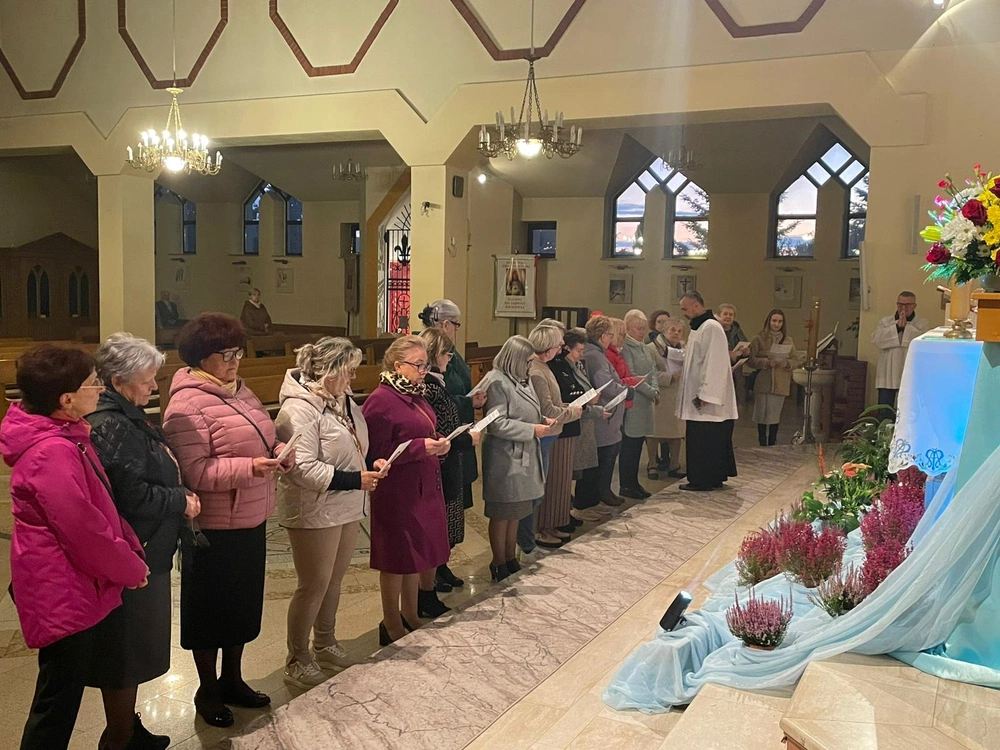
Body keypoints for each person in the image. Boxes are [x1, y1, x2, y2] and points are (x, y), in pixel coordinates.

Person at [1, 345, 149, 750]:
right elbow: (84, 530)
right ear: (66, 400)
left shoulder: (65, 435)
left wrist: (128, 550)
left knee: (61, 694)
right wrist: (129, 568)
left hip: (67, 584)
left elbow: (100, 505)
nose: (100, 389)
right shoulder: (52, 451)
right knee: (57, 703)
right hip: (60, 589)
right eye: (93, 383)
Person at [162, 313, 290, 728]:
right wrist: (251, 468)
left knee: (241, 608)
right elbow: (194, 472)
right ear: (201, 357)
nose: (235, 361)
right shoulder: (185, 404)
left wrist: (279, 450)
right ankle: (208, 690)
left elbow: (262, 436)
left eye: (238, 353)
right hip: (214, 527)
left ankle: (233, 679)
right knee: (210, 613)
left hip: (251, 516)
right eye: (226, 354)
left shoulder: (240, 391)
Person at [86, 334, 198, 750]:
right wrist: (180, 500)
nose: (154, 385)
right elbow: (130, 496)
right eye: (147, 378)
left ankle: (126, 729)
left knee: (132, 650)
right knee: (124, 652)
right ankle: (118, 739)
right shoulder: (112, 423)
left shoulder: (125, 415)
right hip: (135, 551)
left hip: (147, 548)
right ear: (118, 381)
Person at [274, 337, 385, 690]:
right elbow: (301, 467)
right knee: (313, 584)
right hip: (313, 508)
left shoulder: (343, 401)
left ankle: (325, 642)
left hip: (346, 503)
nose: (353, 378)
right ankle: (297, 658)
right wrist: (355, 479)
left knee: (334, 580)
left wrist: (370, 463)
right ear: (329, 371)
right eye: (349, 371)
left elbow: (353, 446)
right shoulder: (299, 409)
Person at [362, 336, 452, 645]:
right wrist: (419, 447)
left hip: (423, 485)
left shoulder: (415, 393)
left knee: (415, 555)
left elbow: (423, 429)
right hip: (397, 490)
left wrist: (438, 442)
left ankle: (410, 614)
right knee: (395, 558)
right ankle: (390, 623)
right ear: (398, 365)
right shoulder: (381, 400)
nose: (424, 370)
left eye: (426, 364)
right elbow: (375, 451)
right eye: (418, 365)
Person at [417, 300, 484, 592]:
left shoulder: (449, 356)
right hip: (444, 450)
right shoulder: (427, 372)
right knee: (442, 513)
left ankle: (442, 565)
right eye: (455, 324)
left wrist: (470, 401)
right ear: (445, 324)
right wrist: (468, 403)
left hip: (456, 444)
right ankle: (432, 572)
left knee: (453, 509)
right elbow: (441, 401)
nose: (457, 329)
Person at [482, 336, 557, 581]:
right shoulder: (496, 381)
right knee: (502, 511)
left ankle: (510, 557)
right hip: (505, 457)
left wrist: (541, 420)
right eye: (527, 361)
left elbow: (527, 411)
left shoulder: (522, 379)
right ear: (515, 359)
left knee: (517, 510)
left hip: (523, 454)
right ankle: (498, 561)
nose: (529, 366)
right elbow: (496, 423)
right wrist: (531, 429)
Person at [528, 324, 583, 550]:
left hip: (553, 433)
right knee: (539, 489)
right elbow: (548, 410)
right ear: (548, 347)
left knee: (545, 486)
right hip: (546, 434)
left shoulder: (544, 366)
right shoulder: (536, 371)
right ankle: (536, 531)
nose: (561, 349)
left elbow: (554, 402)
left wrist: (567, 406)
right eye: (559, 345)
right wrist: (573, 412)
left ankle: (547, 527)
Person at [678, 292, 738, 492]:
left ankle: (702, 480)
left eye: (685, 308)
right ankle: (712, 477)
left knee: (703, 440)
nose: (684, 312)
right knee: (708, 439)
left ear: (696, 306)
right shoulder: (701, 326)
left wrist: (706, 394)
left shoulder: (711, 327)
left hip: (706, 399)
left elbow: (714, 363)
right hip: (699, 396)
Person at [575, 316, 631, 512]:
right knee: (599, 460)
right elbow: (604, 384)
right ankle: (591, 500)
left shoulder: (597, 353)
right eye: (610, 334)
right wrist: (626, 391)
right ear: (603, 336)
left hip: (607, 415)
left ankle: (600, 494)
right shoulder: (595, 356)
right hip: (602, 415)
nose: (612, 338)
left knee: (606, 457)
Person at [747, 309, 804, 446]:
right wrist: (766, 362)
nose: (776, 324)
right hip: (763, 382)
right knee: (761, 415)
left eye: (779, 321)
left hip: (780, 383)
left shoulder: (788, 340)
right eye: (774, 321)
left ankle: (772, 442)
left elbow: (796, 360)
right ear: (768, 321)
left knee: (775, 415)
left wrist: (786, 363)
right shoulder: (758, 338)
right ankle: (762, 442)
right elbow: (750, 360)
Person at [620, 310, 660, 500]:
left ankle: (634, 482)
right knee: (630, 446)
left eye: (644, 328)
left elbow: (652, 370)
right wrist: (651, 391)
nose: (642, 332)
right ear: (627, 328)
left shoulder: (643, 347)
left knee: (638, 446)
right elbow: (632, 374)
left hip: (645, 403)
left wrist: (655, 389)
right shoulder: (626, 348)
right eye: (638, 328)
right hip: (634, 402)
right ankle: (626, 484)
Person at [872, 291, 930, 411]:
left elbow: (923, 343)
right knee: (884, 411)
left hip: (910, 371)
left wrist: (906, 328)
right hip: (887, 373)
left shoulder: (922, 323)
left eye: (907, 305)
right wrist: (897, 328)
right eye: (900, 304)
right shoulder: (885, 322)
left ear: (914, 306)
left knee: (907, 411)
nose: (903, 308)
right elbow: (877, 340)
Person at [646, 318, 687, 481]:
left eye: (679, 331)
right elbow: (649, 373)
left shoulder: (685, 349)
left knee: (677, 432)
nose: (676, 333)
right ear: (664, 331)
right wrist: (670, 377)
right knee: (655, 432)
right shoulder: (652, 349)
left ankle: (674, 464)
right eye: (672, 330)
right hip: (660, 395)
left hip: (678, 395)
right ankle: (652, 464)